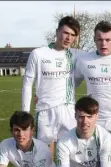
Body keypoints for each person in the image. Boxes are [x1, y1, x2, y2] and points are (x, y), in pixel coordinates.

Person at [21, 16, 84, 156]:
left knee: (71, 154)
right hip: (45, 111)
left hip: (68, 110)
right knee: (44, 157)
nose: (69, 38)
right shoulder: (38, 54)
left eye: (73, 35)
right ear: (57, 32)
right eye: (66, 33)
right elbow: (27, 83)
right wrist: (25, 113)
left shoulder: (77, 55)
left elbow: (101, 55)